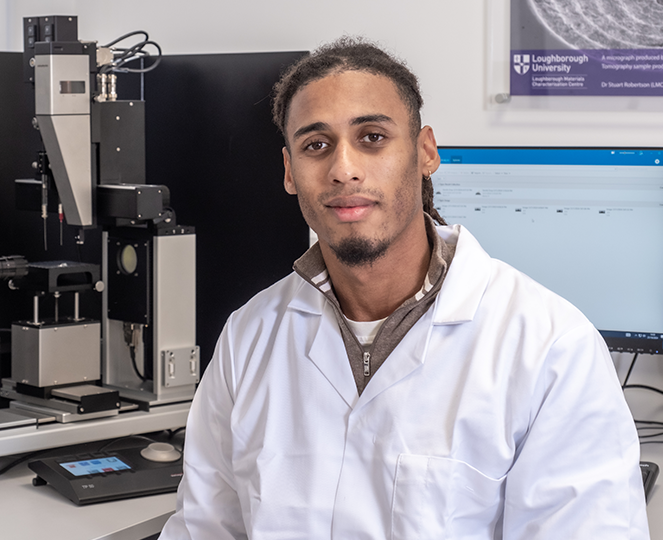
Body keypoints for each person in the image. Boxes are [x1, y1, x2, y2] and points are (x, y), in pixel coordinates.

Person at [159, 37, 649, 539]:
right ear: (290, 172)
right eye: (316, 145)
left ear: (425, 152)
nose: (343, 169)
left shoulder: (549, 347)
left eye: (372, 137)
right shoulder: (250, 336)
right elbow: (203, 529)